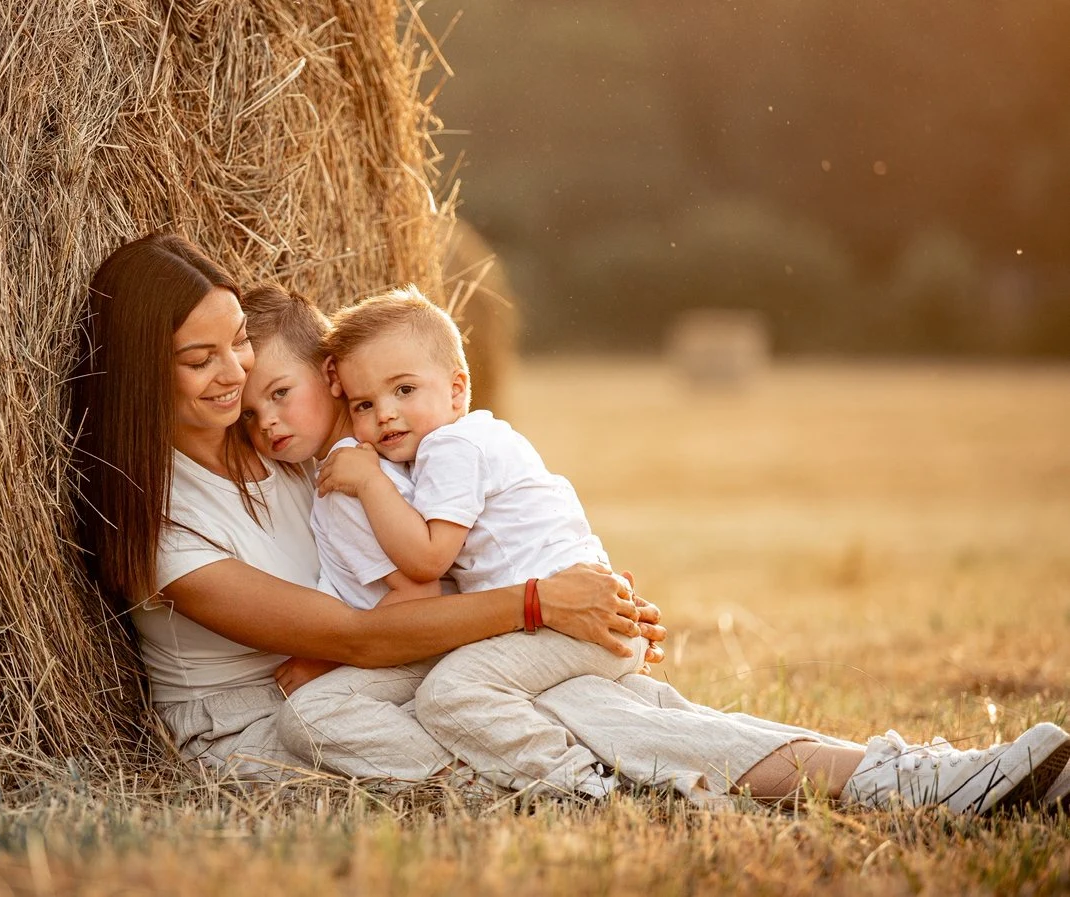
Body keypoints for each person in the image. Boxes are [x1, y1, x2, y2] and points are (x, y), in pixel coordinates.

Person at [235, 282, 1070, 813]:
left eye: (282, 390)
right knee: (624, 720)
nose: (265, 418)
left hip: (518, 632)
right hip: (516, 633)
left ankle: (906, 777)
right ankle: (916, 776)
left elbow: (422, 588)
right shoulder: (382, 457)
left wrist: (549, 600)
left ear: (328, 370)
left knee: (540, 706)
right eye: (247, 408)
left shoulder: (387, 464)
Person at [69, 233, 651, 781]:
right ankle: (579, 777)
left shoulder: (295, 448)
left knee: (572, 691)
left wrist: (589, 596)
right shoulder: (162, 520)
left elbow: (439, 553)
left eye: (240, 340)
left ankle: (664, 747)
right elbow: (358, 635)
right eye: (201, 360)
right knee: (516, 715)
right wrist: (542, 602)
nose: (237, 373)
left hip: (366, 670)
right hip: (256, 717)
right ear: (143, 372)